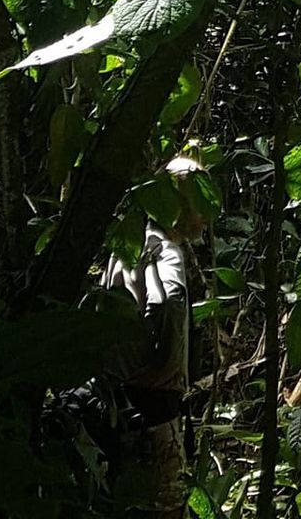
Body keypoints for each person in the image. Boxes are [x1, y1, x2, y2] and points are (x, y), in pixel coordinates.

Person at [96, 155, 211, 519]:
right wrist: (163, 363)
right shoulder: (165, 250)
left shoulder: (131, 243)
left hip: (121, 407)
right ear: (180, 202)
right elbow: (168, 303)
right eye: (201, 201)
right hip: (154, 411)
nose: (206, 213)